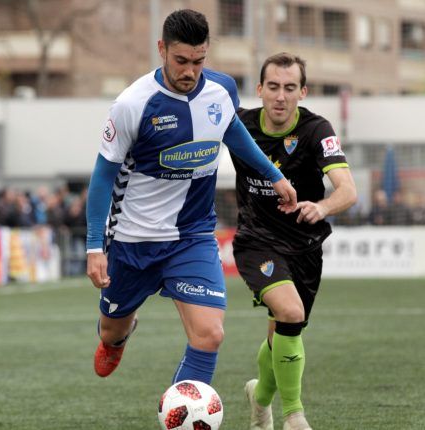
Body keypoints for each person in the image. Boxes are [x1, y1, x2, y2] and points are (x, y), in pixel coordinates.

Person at [85, 10, 297, 389]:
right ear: (162, 49)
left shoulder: (221, 90)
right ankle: (120, 334)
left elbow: (233, 133)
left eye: (198, 62)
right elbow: (102, 177)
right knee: (109, 331)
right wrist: (93, 246)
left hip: (192, 236)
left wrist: (274, 174)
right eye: (181, 61)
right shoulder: (132, 104)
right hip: (134, 239)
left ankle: (182, 413)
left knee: (209, 334)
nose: (190, 71)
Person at [231, 52, 357, 430]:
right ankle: (295, 416)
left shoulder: (318, 131)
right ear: (259, 89)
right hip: (256, 240)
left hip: (304, 248)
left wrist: (321, 207)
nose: (280, 96)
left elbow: (348, 191)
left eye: (289, 88)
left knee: (282, 333)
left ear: (302, 91)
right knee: (289, 312)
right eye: (273, 87)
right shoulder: (239, 125)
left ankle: (260, 399)